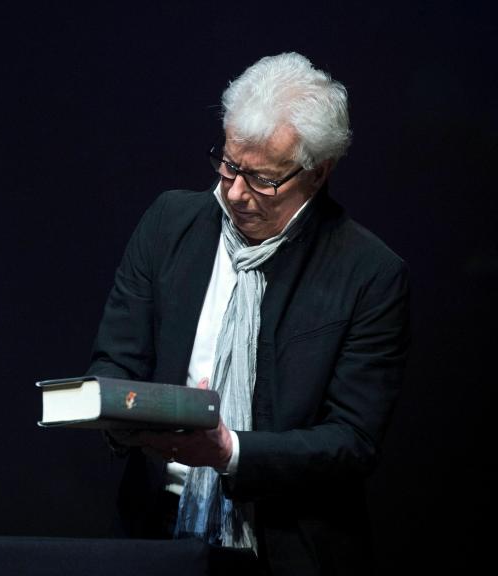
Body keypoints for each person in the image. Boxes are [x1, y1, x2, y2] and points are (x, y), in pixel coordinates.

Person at [89, 53, 409, 574]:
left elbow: (352, 442)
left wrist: (229, 451)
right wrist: (125, 415)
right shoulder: (170, 223)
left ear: (318, 173)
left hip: (287, 545)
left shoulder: (369, 274)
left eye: (262, 179)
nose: (235, 193)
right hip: (154, 531)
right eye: (229, 165)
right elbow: (116, 360)